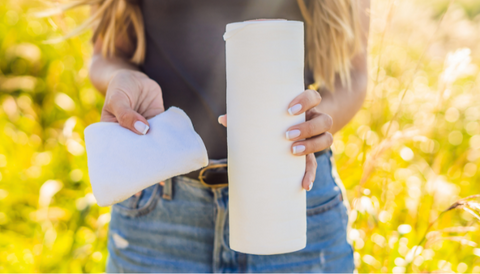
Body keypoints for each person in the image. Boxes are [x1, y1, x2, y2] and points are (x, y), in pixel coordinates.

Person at [64, 0, 370, 272]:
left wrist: (313, 125)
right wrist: (122, 77)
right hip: (159, 216)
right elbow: (106, 54)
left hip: (292, 199)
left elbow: (353, 75)